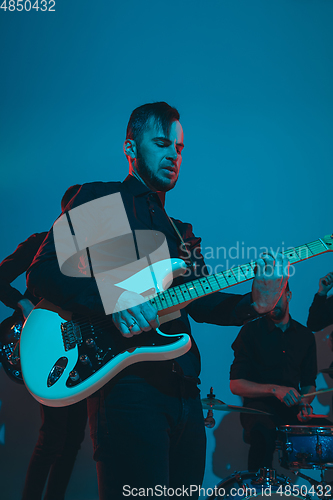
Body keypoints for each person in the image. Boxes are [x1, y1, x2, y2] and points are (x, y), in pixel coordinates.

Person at [27, 102, 289, 499]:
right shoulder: (103, 201)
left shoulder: (180, 232)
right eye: (162, 143)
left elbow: (200, 302)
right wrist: (113, 302)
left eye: (180, 148)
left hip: (186, 395)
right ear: (130, 148)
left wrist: (256, 304)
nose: (173, 155)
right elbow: (43, 273)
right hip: (129, 392)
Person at [0, 185, 88, 500]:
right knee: (53, 436)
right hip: (42, 348)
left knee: (75, 436)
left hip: (78, 352)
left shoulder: (91, 258)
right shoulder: (41, 244)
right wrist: (23, 305)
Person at [229, 282, 331, 472]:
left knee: (328, 432)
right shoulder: (250, 332)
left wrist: (305, 404)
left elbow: (309, 384)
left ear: (288, 296)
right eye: (266, 298)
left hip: (292, 410)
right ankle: (259, 489)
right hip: (258, 410)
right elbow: (235, 385)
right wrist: (274, 390)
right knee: (263, 432)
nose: (271, 302)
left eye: (276, 296)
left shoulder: (305, 335)